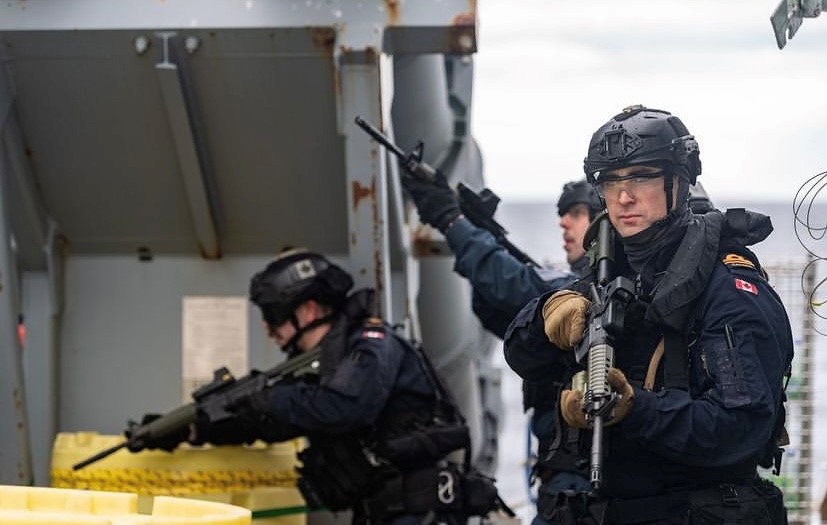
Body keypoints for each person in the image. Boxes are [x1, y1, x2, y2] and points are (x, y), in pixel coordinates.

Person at [504, 105, 792, 524]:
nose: (623, 197)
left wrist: (633, 408)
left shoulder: (729, 289)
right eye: (611, 181)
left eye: (641, 177)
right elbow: (522, 357)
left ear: (678, 181)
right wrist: (545, 316)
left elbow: (741, 428)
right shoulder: (610, 274)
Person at [192, 248, 502, 525]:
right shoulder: (326, 367)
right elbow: (283, 419)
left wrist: (268, 400)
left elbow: (344, 407)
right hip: (384, 512)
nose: (266, 326)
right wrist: (203, 428)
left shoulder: (372, 345)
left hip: (420, 511)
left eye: (273, 314)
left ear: (309, 310)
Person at [401, 174, 602, 524]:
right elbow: (500, 311)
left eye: (578, 212)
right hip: (563, 474)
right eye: (563, 213)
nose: (563, 221)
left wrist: (456, 224)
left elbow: (517, 286)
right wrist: (485, 237)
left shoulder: (586, 292)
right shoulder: (570, 287)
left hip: (579, 481)